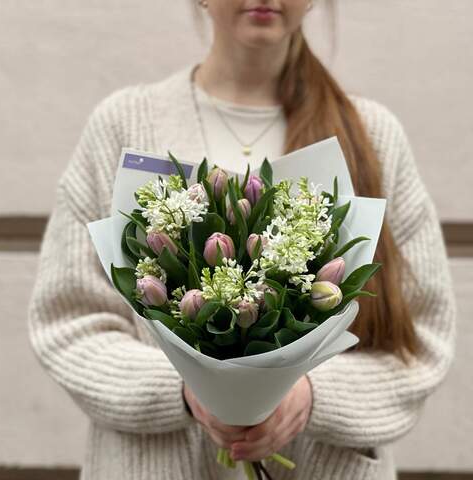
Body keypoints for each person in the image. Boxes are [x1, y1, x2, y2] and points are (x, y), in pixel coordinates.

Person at [27, 1, 456, 479]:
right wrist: (187, 391)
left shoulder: (374, 136)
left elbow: (421, 343)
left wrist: (311, 398)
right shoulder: (123, 125)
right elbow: (67, 322)